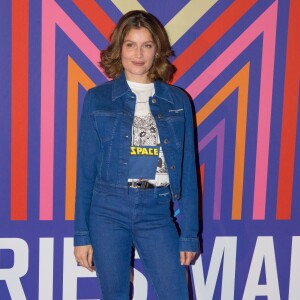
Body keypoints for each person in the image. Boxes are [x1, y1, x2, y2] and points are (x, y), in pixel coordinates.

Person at [74, 10, 199, 300]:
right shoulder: (98, 98)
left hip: (156, 212)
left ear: (158, 51)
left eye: (147, 45)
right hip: (107, 211)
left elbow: (188, 170)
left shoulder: (178, 100)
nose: (138, 53)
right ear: (119, 49)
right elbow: (85, 171)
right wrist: (82, 235)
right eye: (130, 44)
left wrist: (190, 232)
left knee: (176, 294)